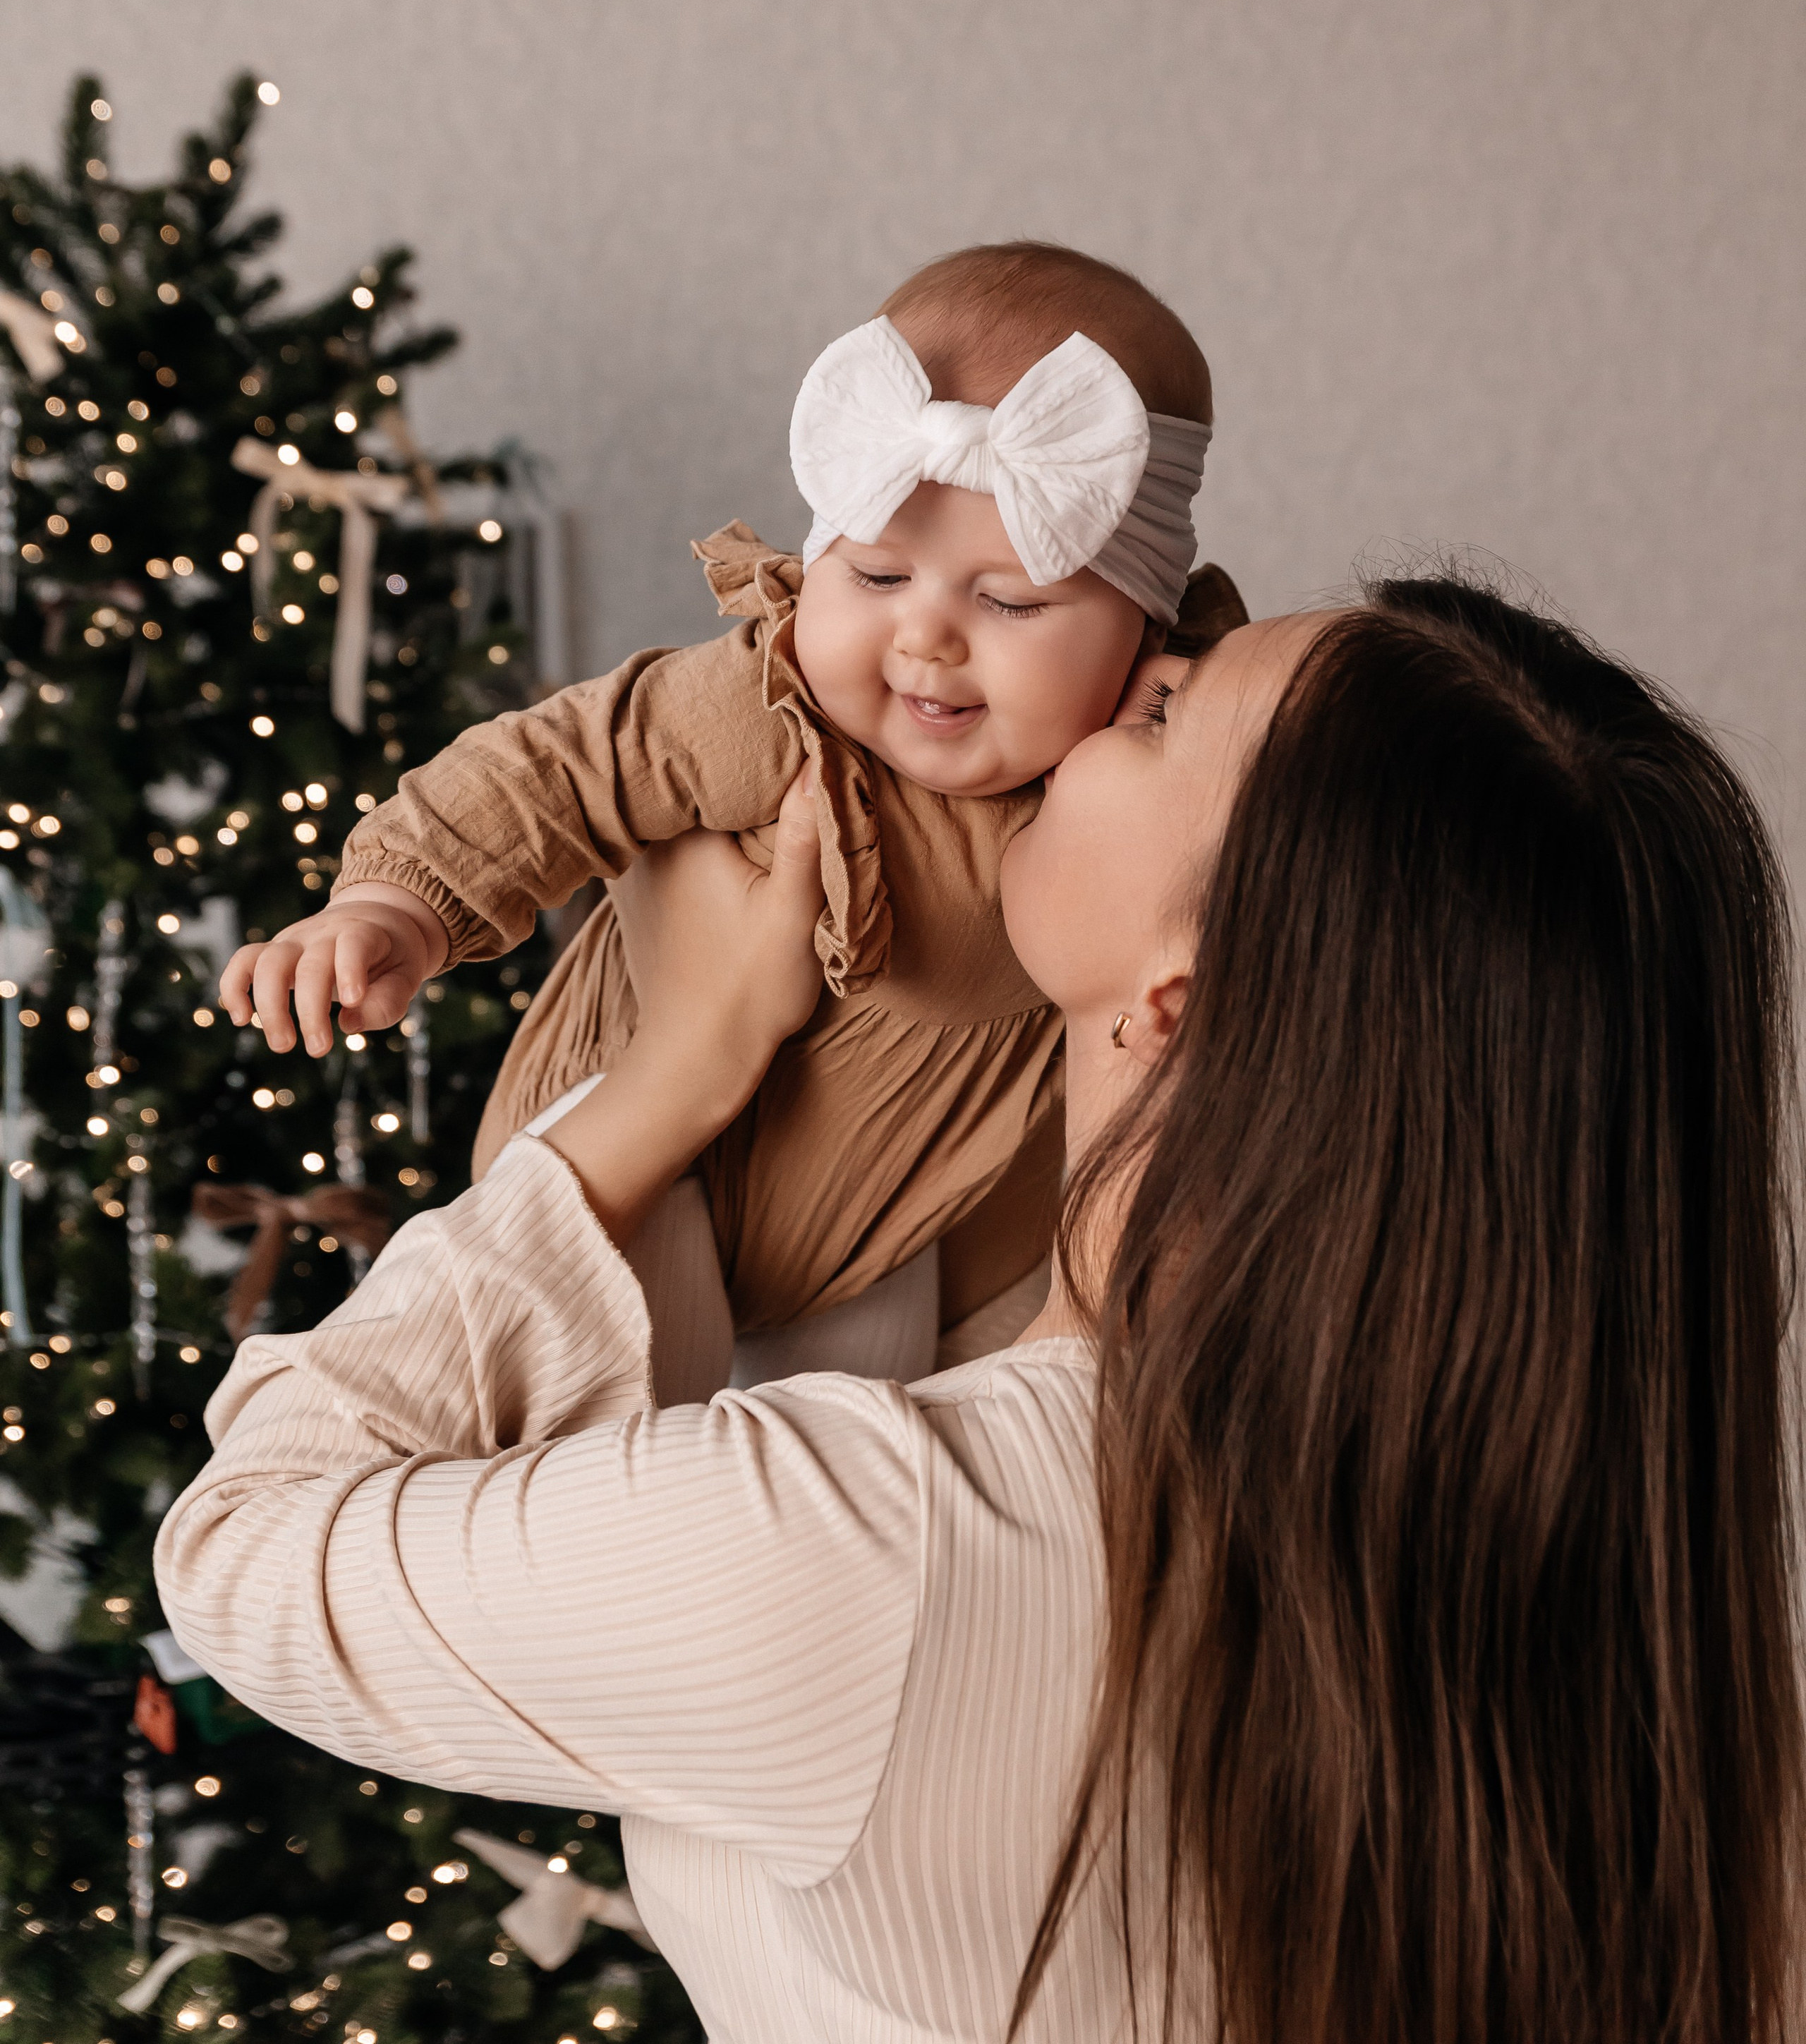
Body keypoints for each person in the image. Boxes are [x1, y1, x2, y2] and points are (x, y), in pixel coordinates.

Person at [162, 576, 1803, 2044]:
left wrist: (675, 1068)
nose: (1128, 664)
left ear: (1179, 996)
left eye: (1166, 710)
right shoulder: (1647, 1640)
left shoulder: (892, 1544)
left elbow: (245, 1552)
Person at [222, 241, 1246, 1393]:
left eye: (1009, 599)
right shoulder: (780, 713)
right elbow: (560, 766)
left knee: (894, 1454)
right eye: (874, 576)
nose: (927, 639)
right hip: (652, 1171)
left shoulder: (1152, 762)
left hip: (891, 1223)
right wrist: (394, 908)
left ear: (1149, 626)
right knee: (644, 1439)